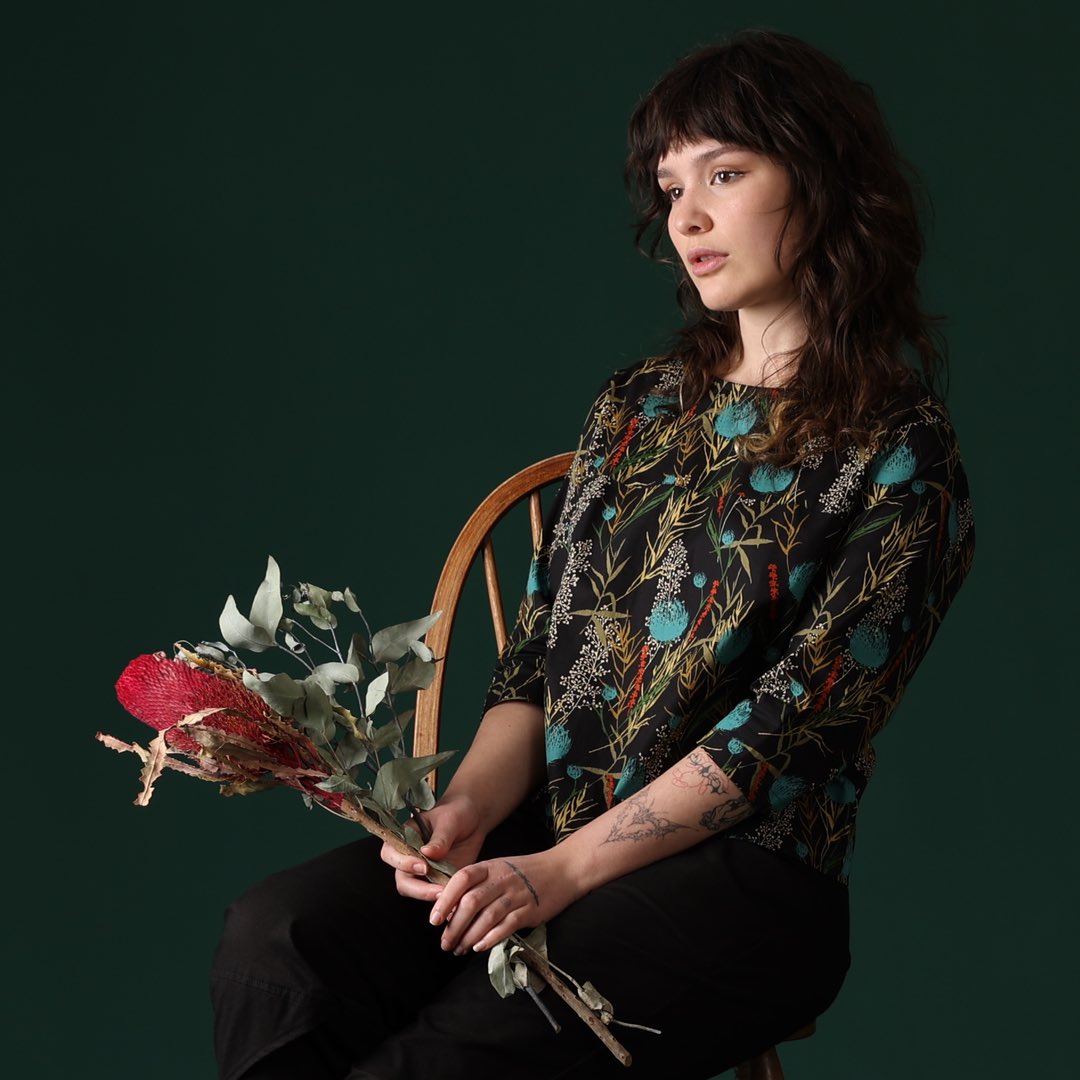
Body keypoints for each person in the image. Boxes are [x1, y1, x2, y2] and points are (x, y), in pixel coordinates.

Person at [211, 29, 975, 1079]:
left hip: (748, 882)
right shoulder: (640, 407)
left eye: (725, 172)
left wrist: (561, 872)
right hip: (548, 826)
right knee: (280, 940)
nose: (688, 217)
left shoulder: (903, 451)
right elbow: (538, 655)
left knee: (441, 1060)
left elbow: (783, 733)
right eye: (670, 188)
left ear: (824, 178)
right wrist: (469, 815)